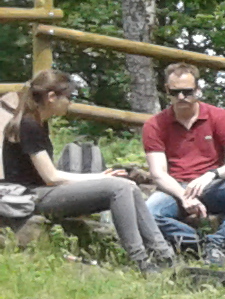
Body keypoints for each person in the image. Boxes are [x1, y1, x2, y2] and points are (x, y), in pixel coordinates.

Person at [1, 69, 177, 273]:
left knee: (129, 186)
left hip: (40, 192)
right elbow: (51, 176)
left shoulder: (39, 123)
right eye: (68, 97)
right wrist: (99, 177)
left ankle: (164, 256)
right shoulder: (28, 125)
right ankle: (141, 261)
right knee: (119, 188)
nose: (70, 103)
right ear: (51, 97)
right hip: (30, 197)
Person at [141, 62, 225, 262]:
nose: (181, 97)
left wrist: (211, 175)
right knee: (148, 214)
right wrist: (183, 196)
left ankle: (219, 241)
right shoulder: (155, 125)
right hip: (174, 189)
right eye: (175, 92)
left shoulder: (219, 116)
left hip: (213, 185)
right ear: (167, 91)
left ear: (198, 90)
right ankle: (204, 243)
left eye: (187, 92)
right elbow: (158, 173)